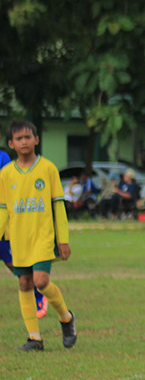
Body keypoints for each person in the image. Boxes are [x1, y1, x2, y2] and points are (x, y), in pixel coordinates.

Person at [0, 120, 77, 351]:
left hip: (44, 236)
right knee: (24, 282)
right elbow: (3, 209)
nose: (24, 142)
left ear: (36, 140)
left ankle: (66, 317)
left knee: (40, 281)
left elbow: (58, 206)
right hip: (19, 238)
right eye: (19, 138)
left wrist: (63, 239)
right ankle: (35, 338)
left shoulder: (48, 169)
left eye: (28, 137)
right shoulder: (6, 174)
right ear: (11, 143)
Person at [0, 140, 48, 320]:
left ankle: (38, 295)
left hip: (3, 223)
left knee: (14, 264)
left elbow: (8, 187)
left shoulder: (2, 158)